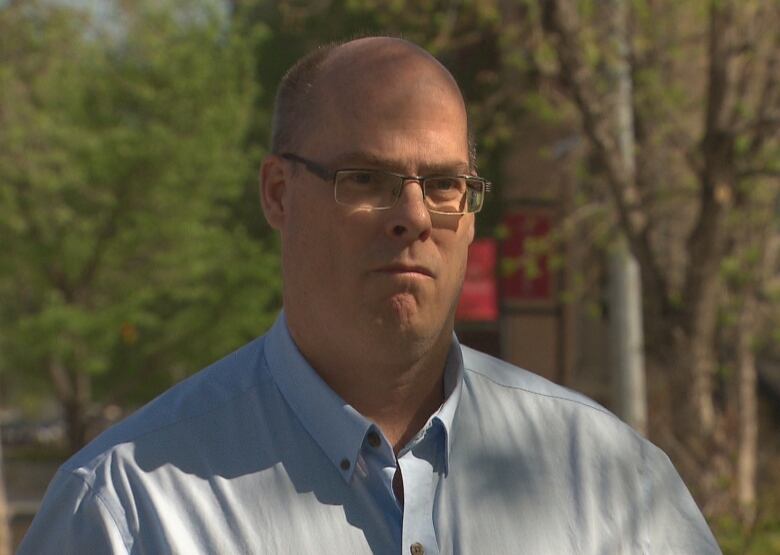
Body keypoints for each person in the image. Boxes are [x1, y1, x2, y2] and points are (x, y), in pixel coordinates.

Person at [19, 37, 721, 555]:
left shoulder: (610, 483)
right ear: (277, 193)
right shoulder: (128, 508)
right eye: (366, 178)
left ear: (470, 212)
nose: (413, 216)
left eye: (445, 184)